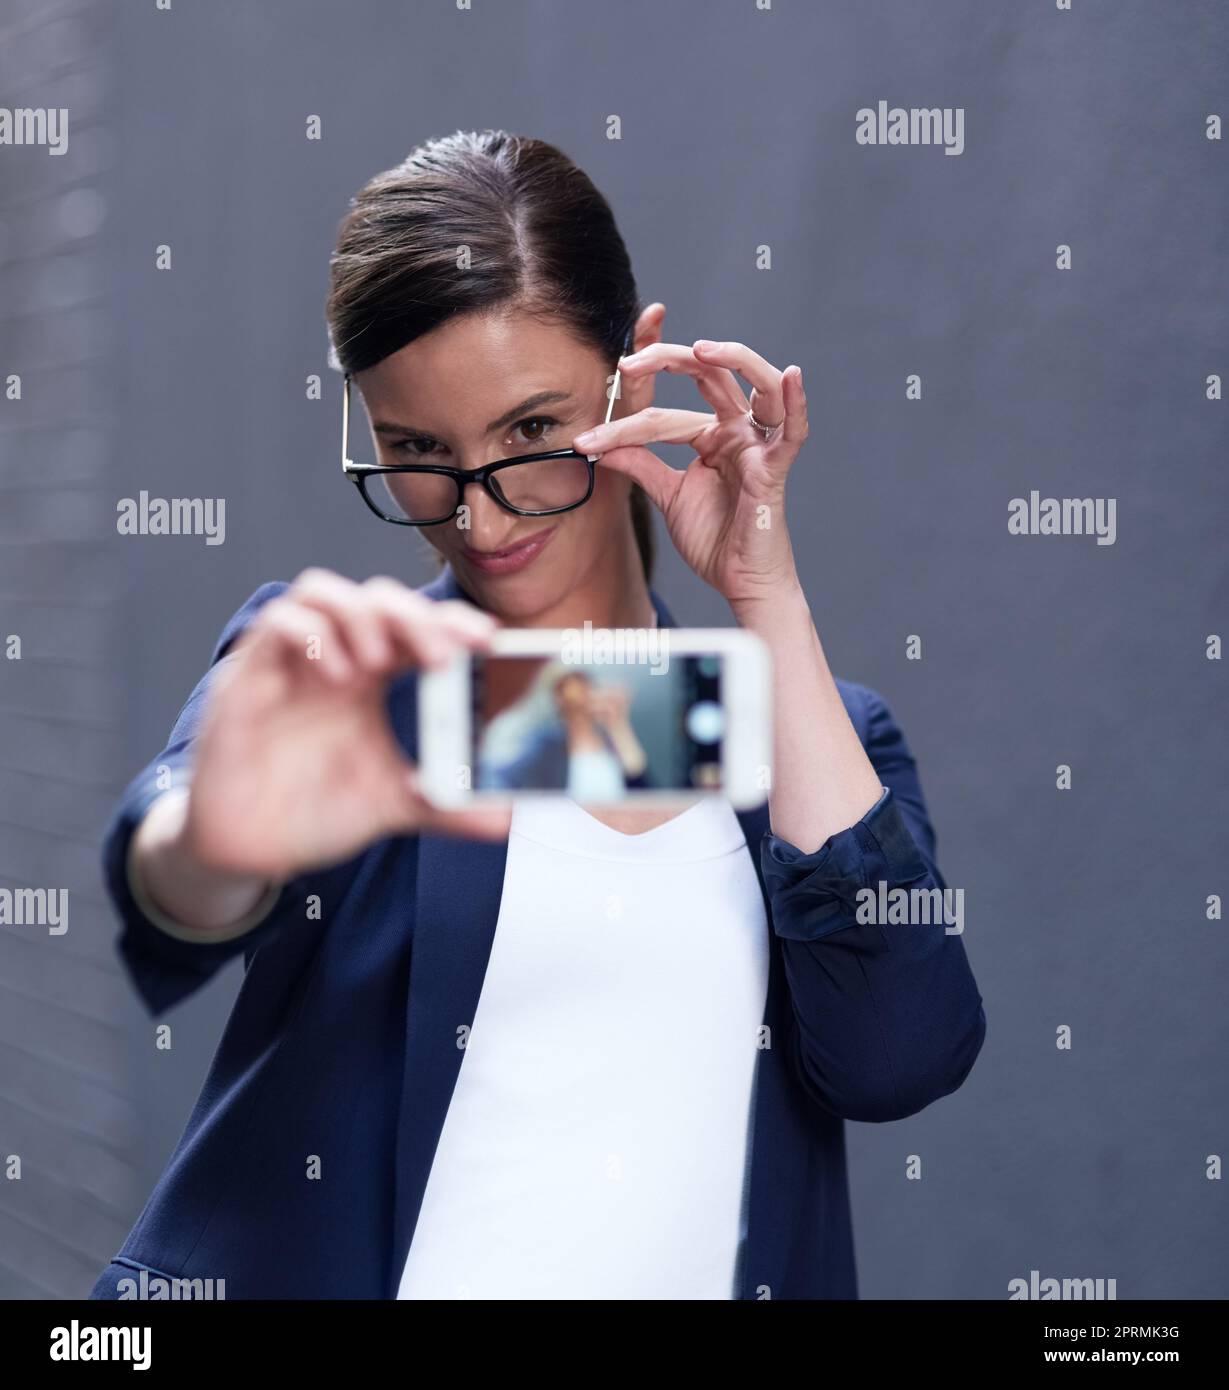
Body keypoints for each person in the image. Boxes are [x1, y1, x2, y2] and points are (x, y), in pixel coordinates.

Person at [89, 129, 985, 1301]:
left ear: (637, 371)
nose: (481, 515)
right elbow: (178, 883)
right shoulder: (351, 673)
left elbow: (897, 1053)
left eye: (529, 432)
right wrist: (210, 844)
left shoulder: (797, 734)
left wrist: (763, 594)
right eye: (416, 451)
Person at [480, 669, 652, 796]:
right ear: (559, 700)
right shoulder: (547, 744)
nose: (582, 694)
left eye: (585, 687)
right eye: (570, 689)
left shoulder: (610, 738)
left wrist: (618, 724)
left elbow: (643, 788)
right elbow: (500, 777)